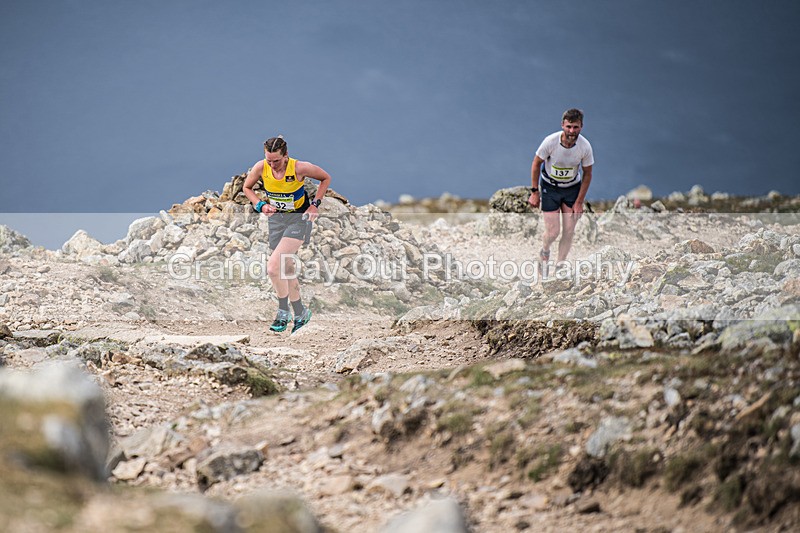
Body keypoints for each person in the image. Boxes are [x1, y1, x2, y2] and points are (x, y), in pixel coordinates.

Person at [243, 136, 331, 333]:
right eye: (269, 161)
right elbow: (246, 188)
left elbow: (325, 178)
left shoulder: (299, 168)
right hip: (276, 220)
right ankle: (300, 313)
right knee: (286, 266)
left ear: (286, 156)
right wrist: (260, 204)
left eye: (276, 161)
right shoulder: (261, 167)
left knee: (274, 267)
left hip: (299, 219)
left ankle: (283, 311)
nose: (272, 165)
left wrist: (315, 205)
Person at [528, 108, 594, 269]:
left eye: (576, 127)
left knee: (569, 230)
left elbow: (587, 174)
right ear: (562, 125)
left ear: (581, 126)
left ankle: (559, 266)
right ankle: (544, 251)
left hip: (572, 189)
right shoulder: (550, 142)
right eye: (569, 126)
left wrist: (579, 202)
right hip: (550, 188)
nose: (572, 131)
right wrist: (534, 192)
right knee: (553, 232)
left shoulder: (585, 147)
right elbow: (536, 164)